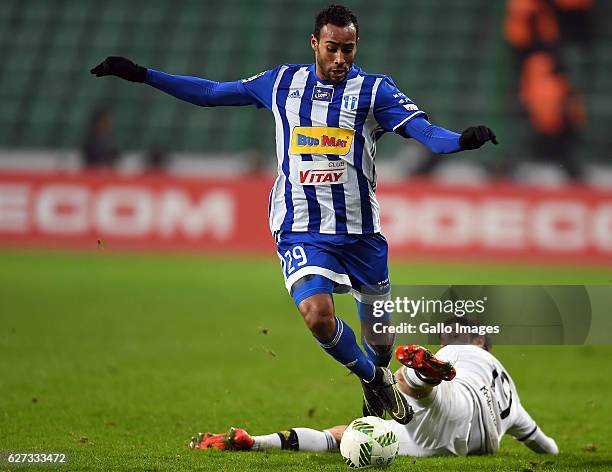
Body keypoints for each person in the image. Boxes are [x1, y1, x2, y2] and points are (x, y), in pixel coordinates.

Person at [90, 4, 498, 425]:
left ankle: (374, 378)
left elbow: (426, 133)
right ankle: (376, 381)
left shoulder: (375, 92)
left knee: (379, 338)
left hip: (361, 233)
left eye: (349, 50)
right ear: (314, 44)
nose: (340, 59)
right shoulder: (281, 83)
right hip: (299, 226)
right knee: (318, 316)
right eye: (332, 48)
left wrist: (462, 141)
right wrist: (142, 74)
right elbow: (211, 93)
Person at [189, 334, 558, 457]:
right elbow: (545, 445)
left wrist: (445, 354)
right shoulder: (509, 387)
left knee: (426, 395)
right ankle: (255, 443)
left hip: (456, 406)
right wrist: (552, 451)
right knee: (351, 435)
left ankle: (419, 373)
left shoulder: (464, 350)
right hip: (474, 438)